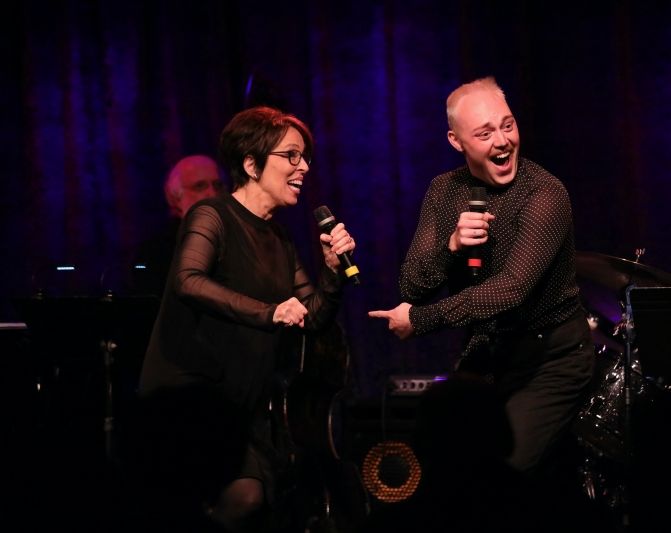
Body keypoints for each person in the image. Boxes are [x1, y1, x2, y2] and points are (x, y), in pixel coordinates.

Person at [368, 77, 596, 524]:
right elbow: (413, 283)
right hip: (487, 359)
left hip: (551, 358)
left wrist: (421, 320)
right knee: (444, 475)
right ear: (456, 141)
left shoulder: (545, 193)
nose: (503, 141)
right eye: (485, 133)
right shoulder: (444, 191)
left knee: (499, 476)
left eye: (507, 126)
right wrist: (450, 245)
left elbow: (510, 291)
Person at [136, 106, 357, 532]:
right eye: (291, 156)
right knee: (243, 495)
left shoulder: (280, 236)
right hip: (190, 395)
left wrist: (333, 272)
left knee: (258, 501)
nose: (304, 167)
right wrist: (269, 311)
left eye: (306, 157)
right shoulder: (211, 216)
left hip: (239, 404)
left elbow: (311, 318)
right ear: (252, 164)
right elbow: (187, 281)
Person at [132, 154, 225, 295]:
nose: (212, 194)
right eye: (200, 186)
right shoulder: (157, 251)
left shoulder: (240, 236)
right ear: (175, 197)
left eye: (217, 185)